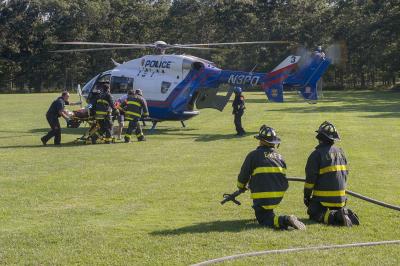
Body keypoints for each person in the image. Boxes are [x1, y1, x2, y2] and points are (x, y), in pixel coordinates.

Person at [236, 125, 306, 230]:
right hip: (278, 195)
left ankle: (286, 219)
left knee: (264, 219)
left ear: (261, 141)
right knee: (266, 211)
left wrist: (241, 186)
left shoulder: (253, 155)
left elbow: (243, 175)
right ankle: (270, 213)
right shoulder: (280, 157)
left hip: (262, 195)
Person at [304, 121, 360, 227]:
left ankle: (338, 215)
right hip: (341, 200)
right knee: (326, 211)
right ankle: (341, 212)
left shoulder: (316, 155)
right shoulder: (341, 152)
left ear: (319, 137)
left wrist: (306, 196)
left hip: (323, 200)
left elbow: (310, 180)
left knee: (314, 213)